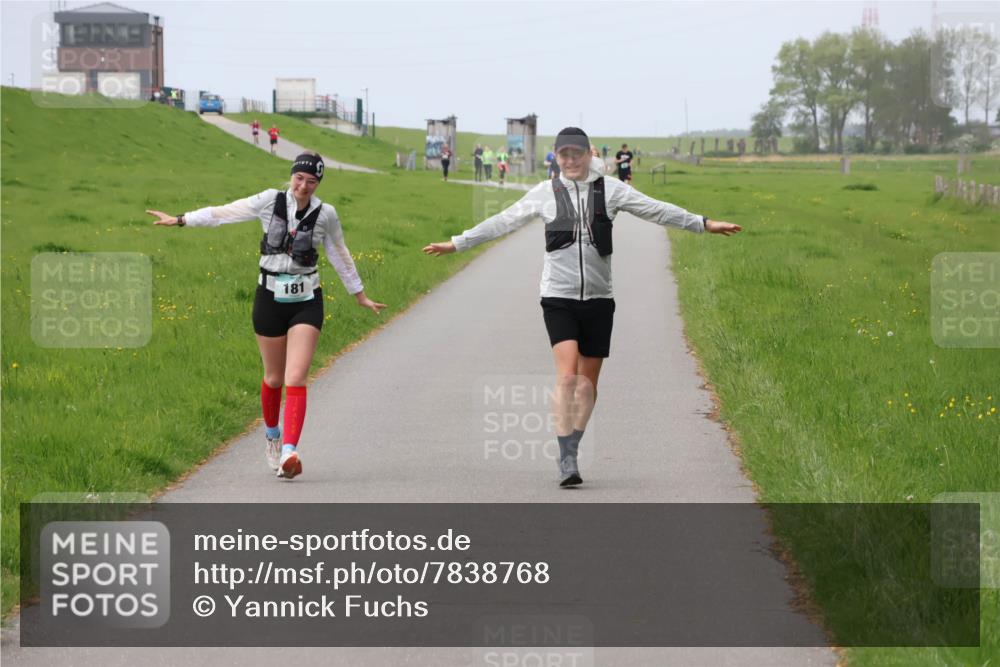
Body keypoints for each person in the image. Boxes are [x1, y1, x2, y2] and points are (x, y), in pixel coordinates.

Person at [422, 127, 741, 487]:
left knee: (588, 385)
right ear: (556, 157)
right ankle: (567, 457)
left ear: (589, 153)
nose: (571, 161)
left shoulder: (611, 190)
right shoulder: (545, 193)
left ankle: (573, 441)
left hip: (599, 301)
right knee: (568, 375)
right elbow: (503, 221)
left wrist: (703, 224)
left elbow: (656, 210)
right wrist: (457, 244)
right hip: (558, 298)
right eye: (564, 155)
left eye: (576, 154)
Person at [146, 152, 387, 480]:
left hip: (307, 300)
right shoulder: (268, 201)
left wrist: (359, 295)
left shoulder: (326, 214)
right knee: (273, 378)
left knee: (296, 376)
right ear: (291, 176)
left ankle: (290, 451)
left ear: (318, 185)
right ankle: (272, 437)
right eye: (299, 178)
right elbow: (223, 213)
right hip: (269, 298)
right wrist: (181, 219)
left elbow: (339, 253)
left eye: (311, 182)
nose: (303, 186)